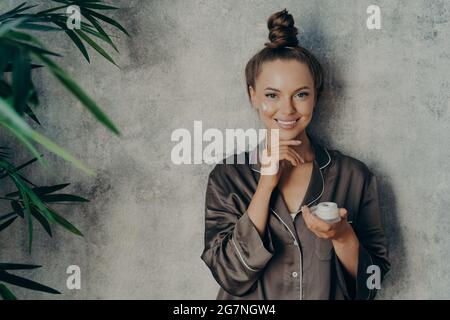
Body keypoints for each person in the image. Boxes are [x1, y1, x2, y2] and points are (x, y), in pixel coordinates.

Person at [200, 8, 390, 300]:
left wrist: (342, 236)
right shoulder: (228, 177)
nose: (287, 109)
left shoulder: (355, 176)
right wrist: (265, 185)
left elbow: (373, 283)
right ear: (253, 96)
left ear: (316, 95)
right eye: (272, 95)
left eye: (301, 94)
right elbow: (229, 275)